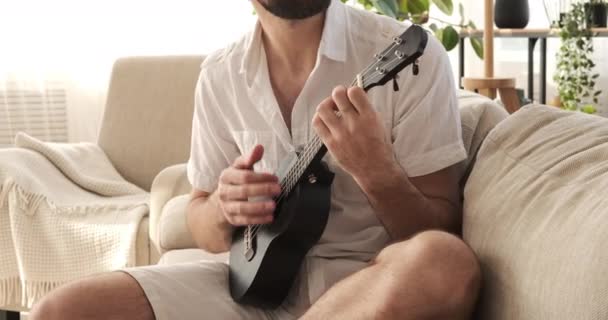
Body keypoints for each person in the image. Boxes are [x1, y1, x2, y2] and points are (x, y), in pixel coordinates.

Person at [30, 0, 481, 319]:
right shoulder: (220, 75)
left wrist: (376, 171)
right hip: (253, 293)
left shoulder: (407, 55)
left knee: (447, 260)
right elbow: (202, 222)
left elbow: (439, 228)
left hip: (372, 291)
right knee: (60, 311)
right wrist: (223, 207)